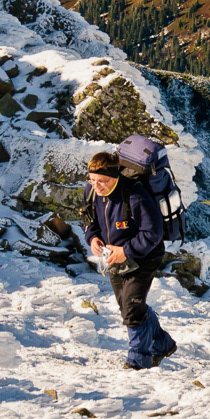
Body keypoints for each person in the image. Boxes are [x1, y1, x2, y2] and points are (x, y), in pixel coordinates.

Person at [82, 150, 177, 369]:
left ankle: (138, 361)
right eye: (93, 180)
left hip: (145, 256)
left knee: (132, 309)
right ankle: (163, 343)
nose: (97, 186)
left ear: (114, 176)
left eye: (102, 181)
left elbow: (152, 233)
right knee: (127, 306)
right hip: (113, 257)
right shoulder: (91, 192)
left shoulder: (135, 195)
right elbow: (88, 220)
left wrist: (126, 251)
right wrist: (92, 238)